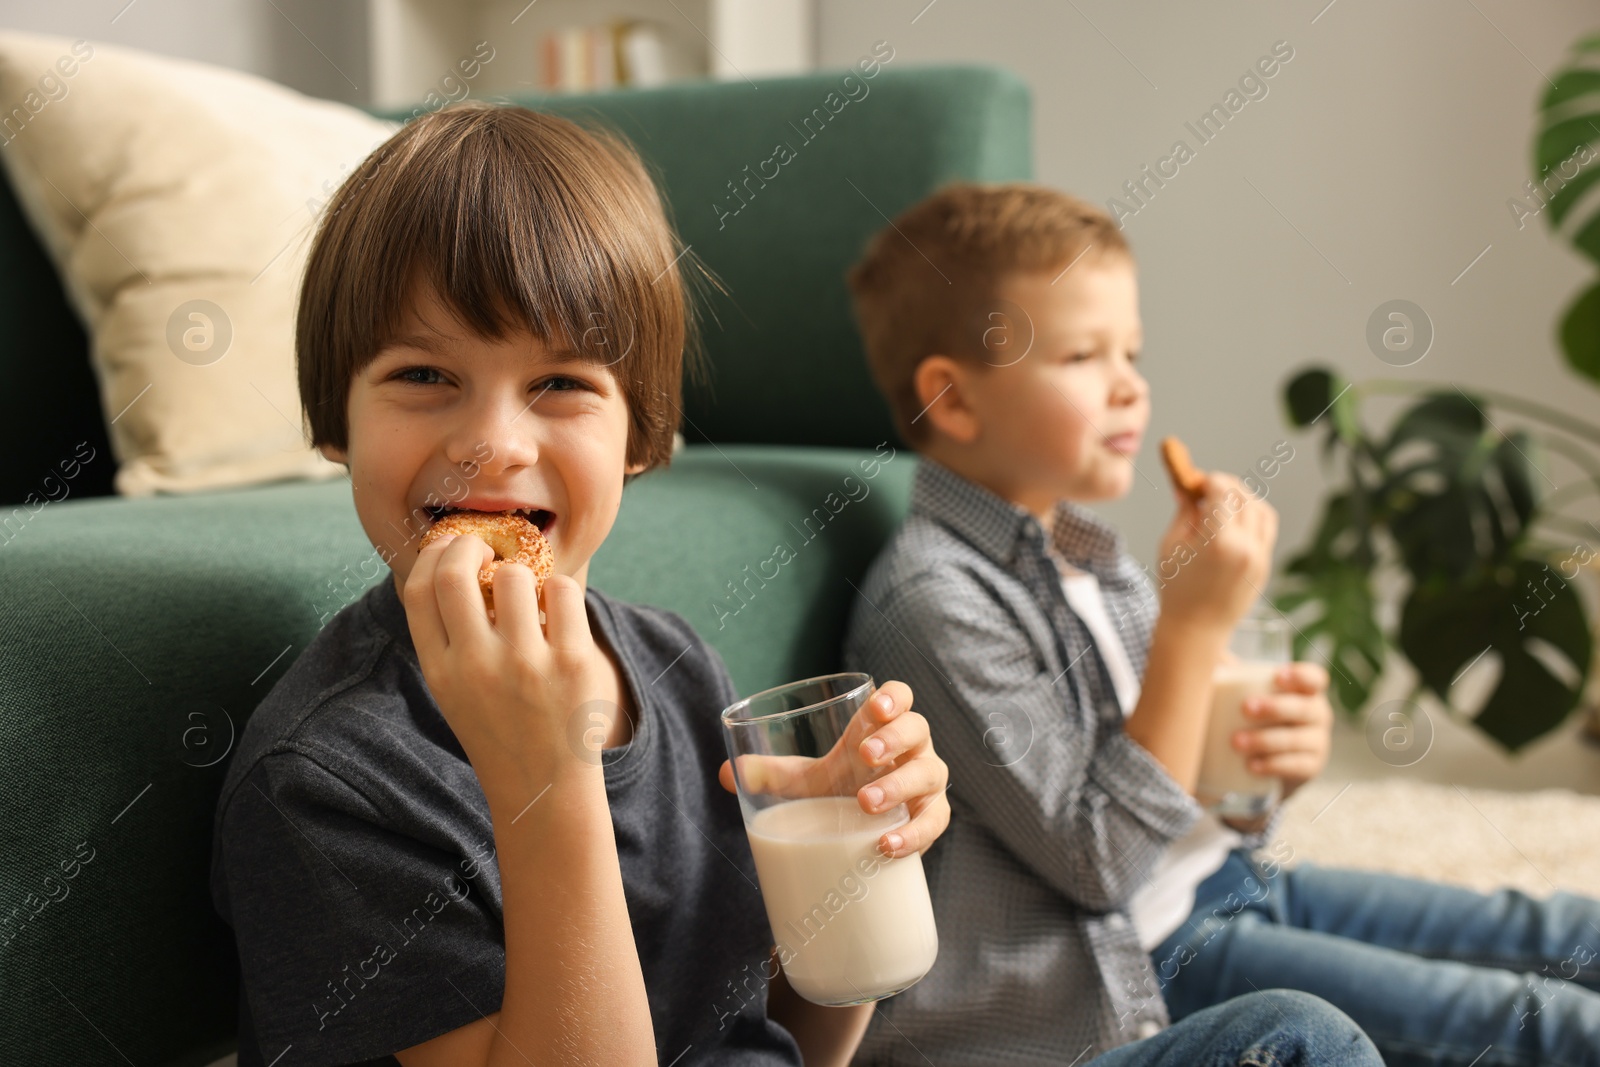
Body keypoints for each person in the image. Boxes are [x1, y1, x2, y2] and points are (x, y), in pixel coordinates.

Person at [207, 101, 955, 1067]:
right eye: (425, 374)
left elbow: (773, 1041)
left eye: (561, 383)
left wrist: (848, 874)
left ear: (641, 434)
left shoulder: (681, 670)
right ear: (335, 422)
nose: (494, 443)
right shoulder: (330, 785)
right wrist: (547, 777)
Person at [840, 180, 1600, 1066]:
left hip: (1227, 881)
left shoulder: (1091, 550)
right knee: (1533, 1024)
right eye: (1085, 355)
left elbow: (1179, 775)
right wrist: (1194, 625)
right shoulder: (935, 601)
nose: (1131, 387)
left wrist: (1266, 771)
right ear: (956, 400)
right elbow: (1103, 863)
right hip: (1139, 955)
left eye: (1134, 351)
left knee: (1561, 928)